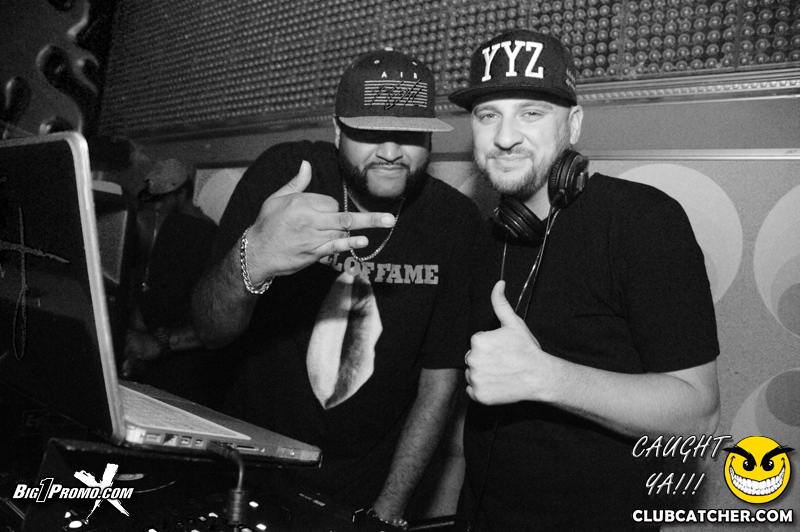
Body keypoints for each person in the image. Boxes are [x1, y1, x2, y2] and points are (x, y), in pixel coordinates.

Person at [191, 49, 487, 527]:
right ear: (337, 131)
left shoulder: (455, 223)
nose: (390, 152)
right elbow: (209, 330)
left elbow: (439, 382)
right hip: (246, 466)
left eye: (410, 135)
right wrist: (253, 259)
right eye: (369, 131)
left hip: (357, 494)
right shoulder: (288, 176)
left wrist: (388, 508)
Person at [449, 30, 721, 530]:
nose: (505, 136)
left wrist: (547, 378)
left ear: (572, 124)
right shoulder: (485, 236)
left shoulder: (642, 221)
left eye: (531, 113)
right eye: (488, 116)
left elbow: (698, 415)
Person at [123, 159, 224, 406]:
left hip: (170, 355)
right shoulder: (209, 229)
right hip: (186, 355)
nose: (158, 206)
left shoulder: (183, 228)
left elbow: (163, 296)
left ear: (182, 193)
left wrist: (142, 330)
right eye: (154, 200)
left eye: (163, 199)